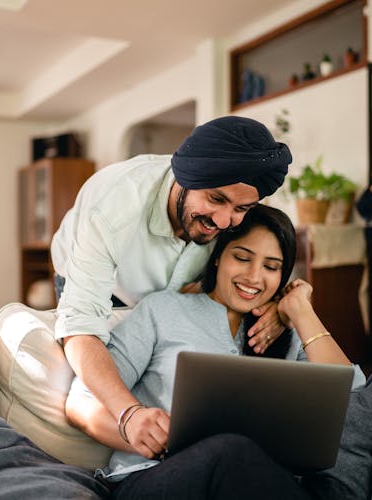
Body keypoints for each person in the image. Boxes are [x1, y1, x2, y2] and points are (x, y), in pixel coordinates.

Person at [65, 204, 367, 499]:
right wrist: (137, 430)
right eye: (242, 257)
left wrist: (301, 310)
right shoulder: (163, 311)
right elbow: (81, 403)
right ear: (218, 257)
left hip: (259, 482)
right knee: (231, 450)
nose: (254, 277)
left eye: (271, 267)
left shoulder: (287, 333)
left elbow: (353, 396)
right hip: (154, 477)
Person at [52, 116, 294, 441]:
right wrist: (129, 414)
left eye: (242, 208)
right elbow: (81, 325)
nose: (225, 221)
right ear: (185, 179)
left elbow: (263, 263)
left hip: (171, 295)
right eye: (216, 200)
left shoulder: (237, 198)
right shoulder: (113, 206)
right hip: (101, 287)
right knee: (100, 385)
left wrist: (278, 306)